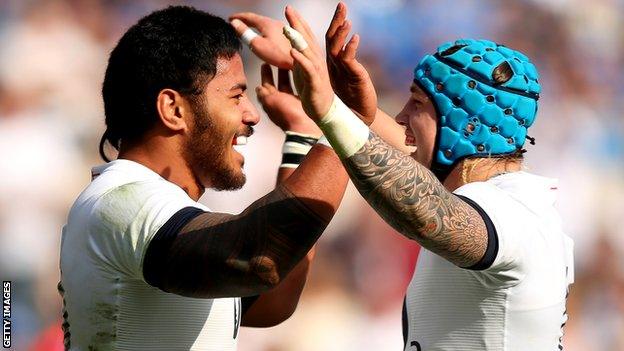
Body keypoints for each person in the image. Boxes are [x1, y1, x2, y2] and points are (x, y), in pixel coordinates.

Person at [234, 3, 574, 350]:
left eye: (416, 103)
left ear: (467, 126)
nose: (400, 117)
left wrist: (333, 111)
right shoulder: (494, 193)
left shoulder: (516, 212)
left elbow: (428, 213)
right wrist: (320, 81)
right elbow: (407, 153)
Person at [58, 6, 348, 350]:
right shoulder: (121, 200)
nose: (252, 114)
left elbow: (274, 297)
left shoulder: (154, 210)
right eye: (236, 95)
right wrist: (340, 114)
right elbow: (260, 259)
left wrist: (303, 135)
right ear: (173, 109)